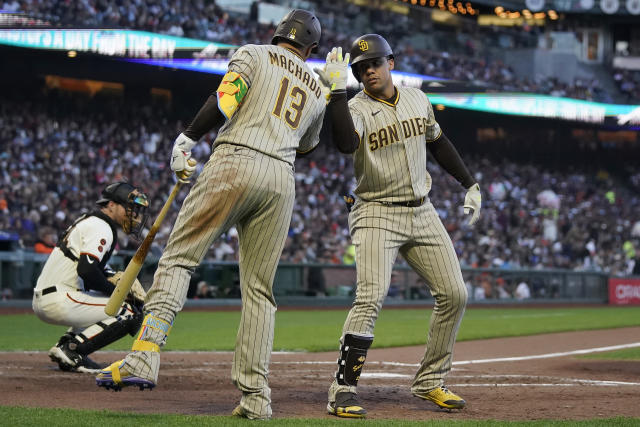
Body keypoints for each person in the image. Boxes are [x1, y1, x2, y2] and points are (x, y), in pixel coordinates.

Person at [95, 9, 326, 420]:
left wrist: (187, 138)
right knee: (259, 291)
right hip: (281, 178)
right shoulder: (319, 86)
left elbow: (226, 98)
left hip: (236, 159)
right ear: (311, 48)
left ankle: (145, 355)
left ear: (277, 34)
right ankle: (256, 397)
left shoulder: (254, 53)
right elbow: (307, 146)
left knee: (180, 259)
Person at [315, 34, 482, 418]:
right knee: (370, 296)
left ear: (391, 61)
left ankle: (429, 381)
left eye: (373, 63)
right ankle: (341, 390)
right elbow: (344, 144)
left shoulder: (417, 98)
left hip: (422, 210)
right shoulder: (354, 106)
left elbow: (438, 143)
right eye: (360, 68)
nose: (368, 71)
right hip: (376, 211)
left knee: (455, 294)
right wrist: (337, 93)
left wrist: (469, 183)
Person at [32, 182, 149, 373]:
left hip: (53, 296)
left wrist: (112, 281)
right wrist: (118, 293)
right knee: (130, 312)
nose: (134, 214)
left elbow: (92, 270)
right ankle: (73, 349)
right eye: (129, 208)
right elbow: (87, 271)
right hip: (61, 298)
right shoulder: (101, 226)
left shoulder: (92, 222)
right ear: (111, 205)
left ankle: (66, 345)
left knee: (117, 305)